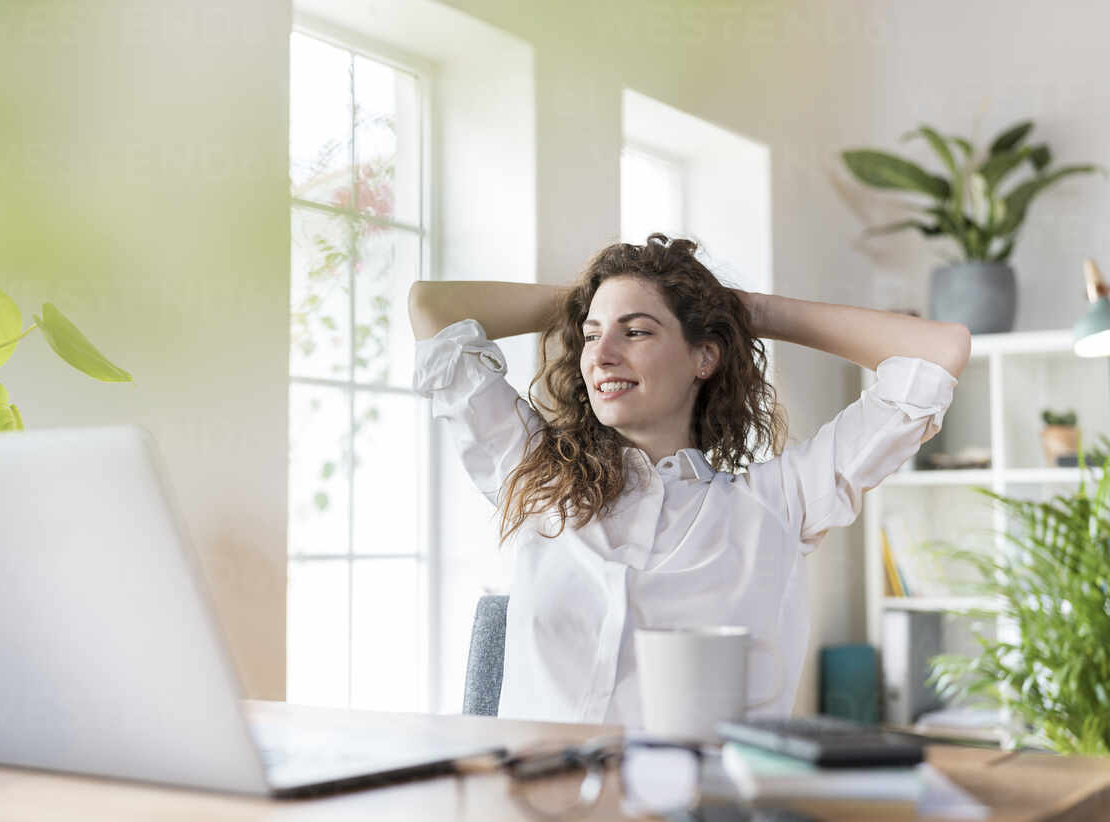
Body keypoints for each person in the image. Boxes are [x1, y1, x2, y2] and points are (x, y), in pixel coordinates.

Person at [408, 234, 970, 727]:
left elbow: (939, 351)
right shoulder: (539, 479)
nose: (601, 354)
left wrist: (749, 312)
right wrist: (589, 299)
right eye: (590, 334)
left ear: (704, 356)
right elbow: (432, 308)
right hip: (534, 805)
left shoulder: (777, 504)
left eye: (636, 332)